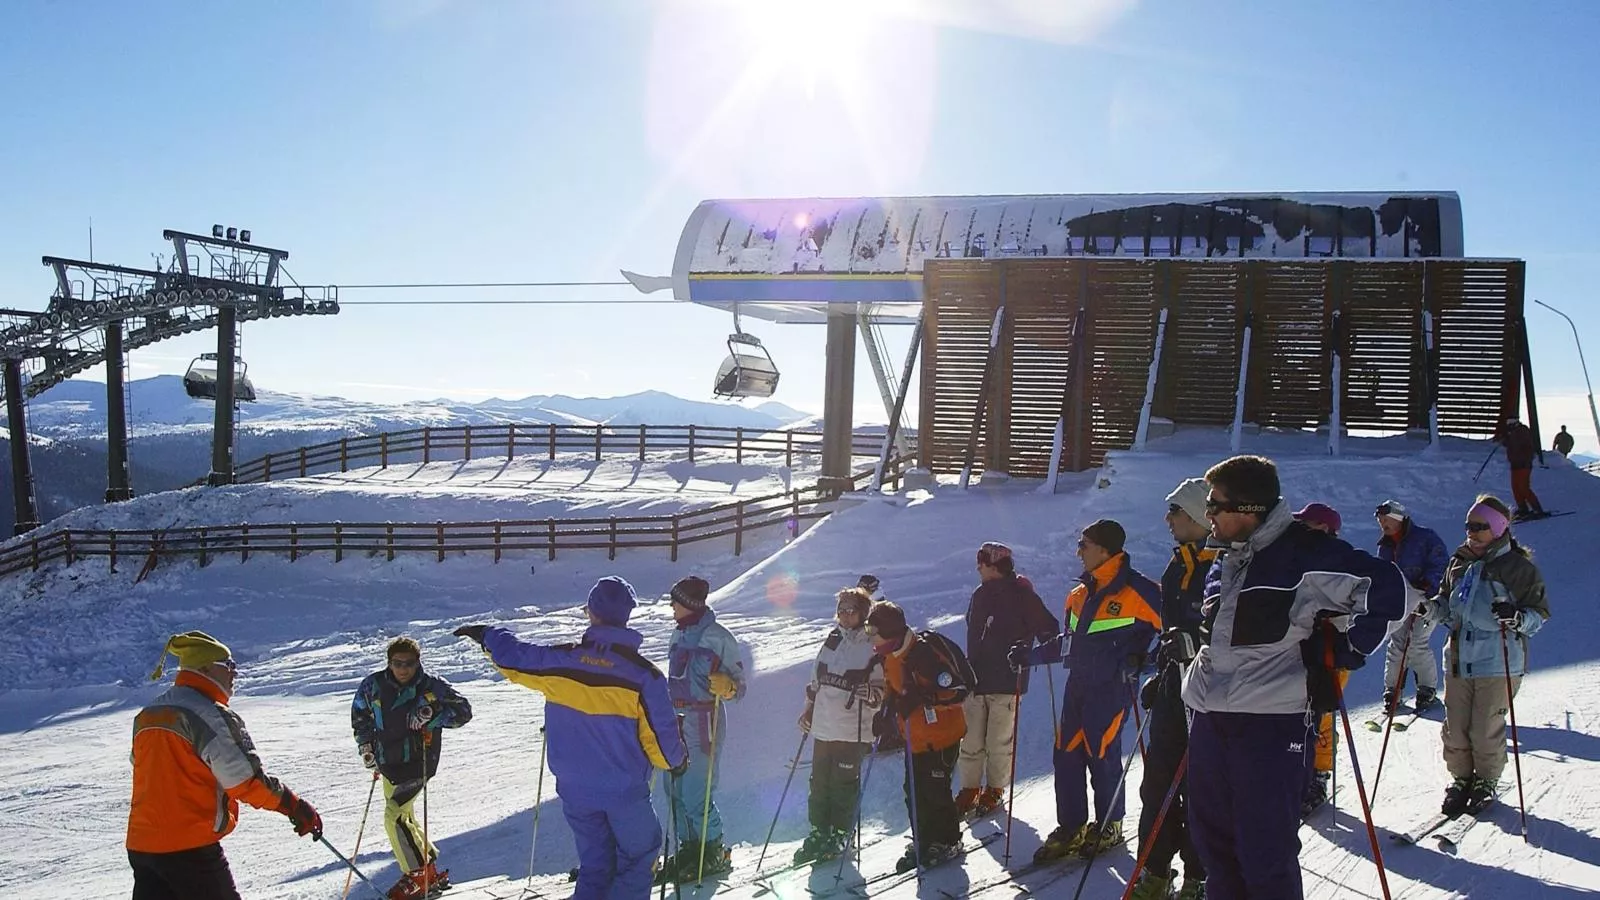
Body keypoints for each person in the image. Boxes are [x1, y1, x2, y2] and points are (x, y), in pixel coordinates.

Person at [1182, 455, 1405, 900]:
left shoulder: (1303, 552)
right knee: (1214, 848)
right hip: (1210, 716)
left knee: (1264, 852)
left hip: (1270, 720)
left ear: (1249, 509)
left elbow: (1387, 592)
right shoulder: (1225, 556)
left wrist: (1345, 651)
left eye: (1215, 504)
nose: (1207, 513)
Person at [453, 577, 689, 900]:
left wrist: (487, 635)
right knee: (638, 856)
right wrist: (678, 760)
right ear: (626, 617)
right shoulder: (644, 677)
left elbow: (515, 658)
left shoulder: (562, 662)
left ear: (592, 613)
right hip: (624, 793)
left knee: (595, 863)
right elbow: (661, 746)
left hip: (575, 791)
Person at [128, 632, 323, 900]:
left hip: (143, 845)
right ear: (205, 668)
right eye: (229, 666)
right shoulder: (208, 713)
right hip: (189, 847)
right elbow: (245, 781)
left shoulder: (149, 714)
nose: (235, 673)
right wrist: (293, 805)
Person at [1013, 519, 1162, 864]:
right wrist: (1029, 656)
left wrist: (1145, 661)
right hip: (1077, 687)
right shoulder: (1078, 595)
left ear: (1105, 550)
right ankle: (1072, 825)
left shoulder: (1140, 591)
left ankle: (1110, 824)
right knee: (1065, 754)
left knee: (1102, 753)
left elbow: (1175, 634)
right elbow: (1068, 644)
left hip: (1111, 688)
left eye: (1084, 544)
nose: (1078, 551)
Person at [1417, 495, 1549, 816]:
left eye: (1479, 527)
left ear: (1499, 529)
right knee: (1456, 726)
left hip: (1498, 659)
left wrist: (1515, 616)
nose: (1471, 533)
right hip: (1460, 658)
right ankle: (1462, 779)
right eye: (1468, 526)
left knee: (1484, 727)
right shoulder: (1459, 562)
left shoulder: (1517, 568)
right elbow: (1447, 604)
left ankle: (1486, 780)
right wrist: (1429, 608)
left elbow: (1539, 613)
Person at [1129, 481, 1215, 900]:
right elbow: (1169, 632)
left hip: (1210, 698)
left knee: (1202, 788)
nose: (1169, 520)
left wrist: (1195, 648)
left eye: (1176, 512)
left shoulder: (1223, 565)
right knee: (1157, 783)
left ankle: (1199, 875)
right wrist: (1160, 675)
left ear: (1199, 516)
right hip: (1172, 692)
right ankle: (1156, 870)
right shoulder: (1177, 564)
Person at [351, 637, 474, 899]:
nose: (404, 669)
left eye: (409, 663)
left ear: (418, 662)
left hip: (420, 762)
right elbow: (360, 715)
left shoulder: (432, 686)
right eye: (398, 663)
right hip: (388, 762)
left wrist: (433, 717)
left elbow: (464, 712)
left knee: (394, 815)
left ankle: (417, 874)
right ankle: (428, 869)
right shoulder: (373, 685)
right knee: (404, 816)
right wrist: (366, 747)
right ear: (389, 663)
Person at [957, 541, 1059, 819]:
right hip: (976, 678)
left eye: (983, 562)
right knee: (970, 739)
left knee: (998, 739)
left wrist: (1032, 653)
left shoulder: (1022, 595)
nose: (978, 566)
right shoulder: (980, 594)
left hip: (1007, 678)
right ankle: (969, 789)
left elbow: (1050, 630)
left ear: (996, 566)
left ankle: (995, 788)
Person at [866, 600, 968, 873]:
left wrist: (924, 699)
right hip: (915, 736)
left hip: (942, 735)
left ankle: (948, 840)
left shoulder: (923, 654)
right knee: (913, 791)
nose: (870, 639)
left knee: (935, 790)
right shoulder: (890, 654)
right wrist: (886, 711)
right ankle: (924, 839)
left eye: (873, 632)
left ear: (889, 632)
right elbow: (892, 685)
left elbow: (957, 691)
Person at [662, 575, 747, 882]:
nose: (671, 606)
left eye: (676, 601)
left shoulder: (718, 637)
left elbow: (740, 687)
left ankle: (713, 849)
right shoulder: (678, 634)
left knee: (697, 790)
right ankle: (690, 847)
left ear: (689, 604)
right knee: (674, 789)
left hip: (703, 722)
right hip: (675, 720)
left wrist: (729, 688)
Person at [794, 587, 884, 864]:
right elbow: (815, 680)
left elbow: (882, 687)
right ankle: (820, 830)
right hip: (823, 725)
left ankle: (842, 831)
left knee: (843, 783)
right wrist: (807, 711)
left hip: (851, 728)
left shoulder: (872, 643)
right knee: (819, 782)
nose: (845, 615)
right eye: (841, 610)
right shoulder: (832, 639)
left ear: (863, 612)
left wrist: (872, 694)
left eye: (851, 610)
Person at [1289, 502, 1348, 820]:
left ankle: (1319, 775)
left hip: (1331, 649)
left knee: (1321, 713)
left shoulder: (1341, 559)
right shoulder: (1295, 556)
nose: (1301, 529)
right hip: (1300, 646)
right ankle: (1297, 770)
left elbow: (1356, 602)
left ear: (1324, 528)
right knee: (1297, 713)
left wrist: (1335, 616)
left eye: (1307, 524)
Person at [1374, 500, 1449, 715]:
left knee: (1416, 642)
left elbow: (1441, 563)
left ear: (1398, 518)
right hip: (1400, 600)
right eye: (1380, 520)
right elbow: (1384, 571)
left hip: (1426, 600)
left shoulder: (1425, 538)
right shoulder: (1386, 544)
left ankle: (1427, 689)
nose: (1382, 524)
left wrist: (1428, 584)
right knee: (1397, 643)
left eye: (1386, 519)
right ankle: (1392, 690)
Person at [1499, 417, 1546, 518]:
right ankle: (1523, 508)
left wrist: (1509, 437)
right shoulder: (1514, 432)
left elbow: (1520, 445)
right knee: (1515, 487)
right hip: (1515, 463)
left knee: (1524, 487)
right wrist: (1506, 439)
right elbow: (1510, 445)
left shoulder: (1522, 431)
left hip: (1523, 463)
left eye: (1510, 424)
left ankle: (1537, 509)